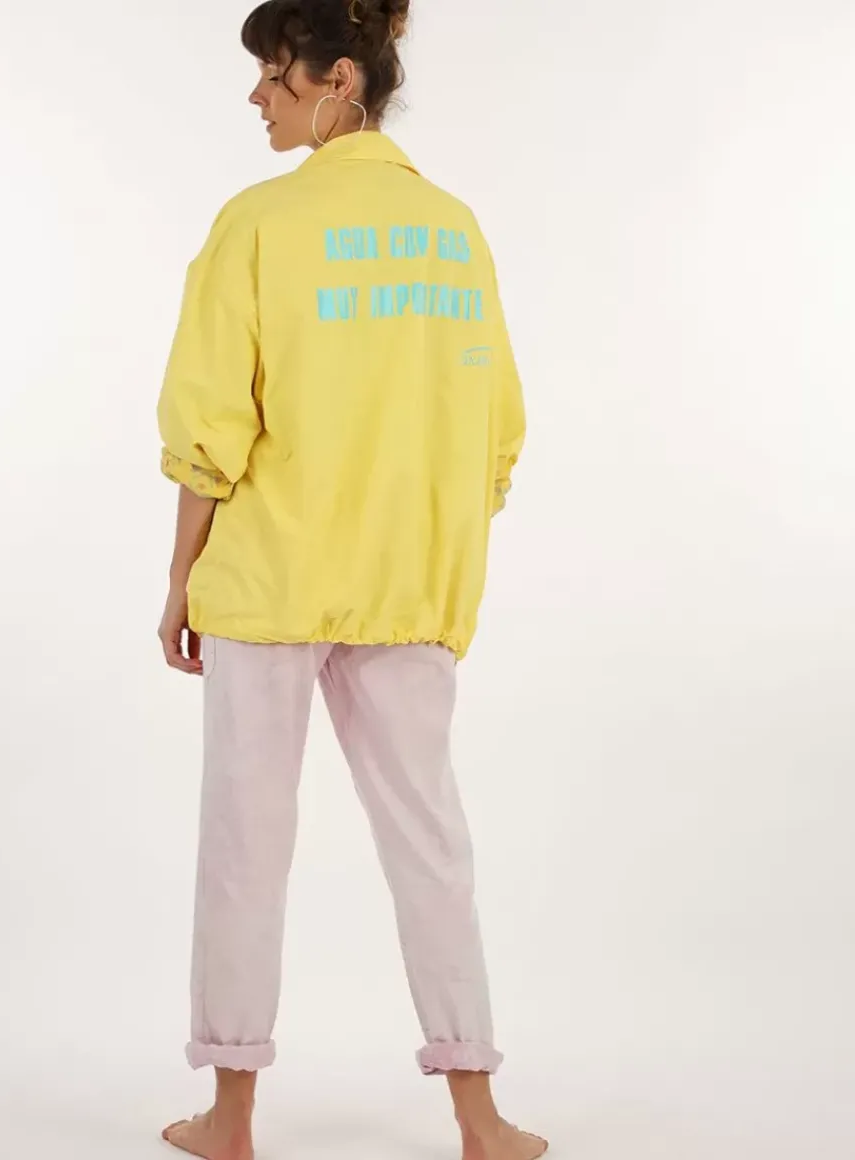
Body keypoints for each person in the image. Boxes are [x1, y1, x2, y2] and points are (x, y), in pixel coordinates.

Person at [155, 2, 539, 1157]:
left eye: (274, 78)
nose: (256, 98)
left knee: (244, 844)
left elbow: (210, 425)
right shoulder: (453, 231)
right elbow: (496, 428)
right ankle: (478, 1115)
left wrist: (179, 578)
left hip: (268, 580)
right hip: (408, 585)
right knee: (431, 843)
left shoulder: (259, 224)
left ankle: (228, 1118)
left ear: (337, 82)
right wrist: (419, 533)